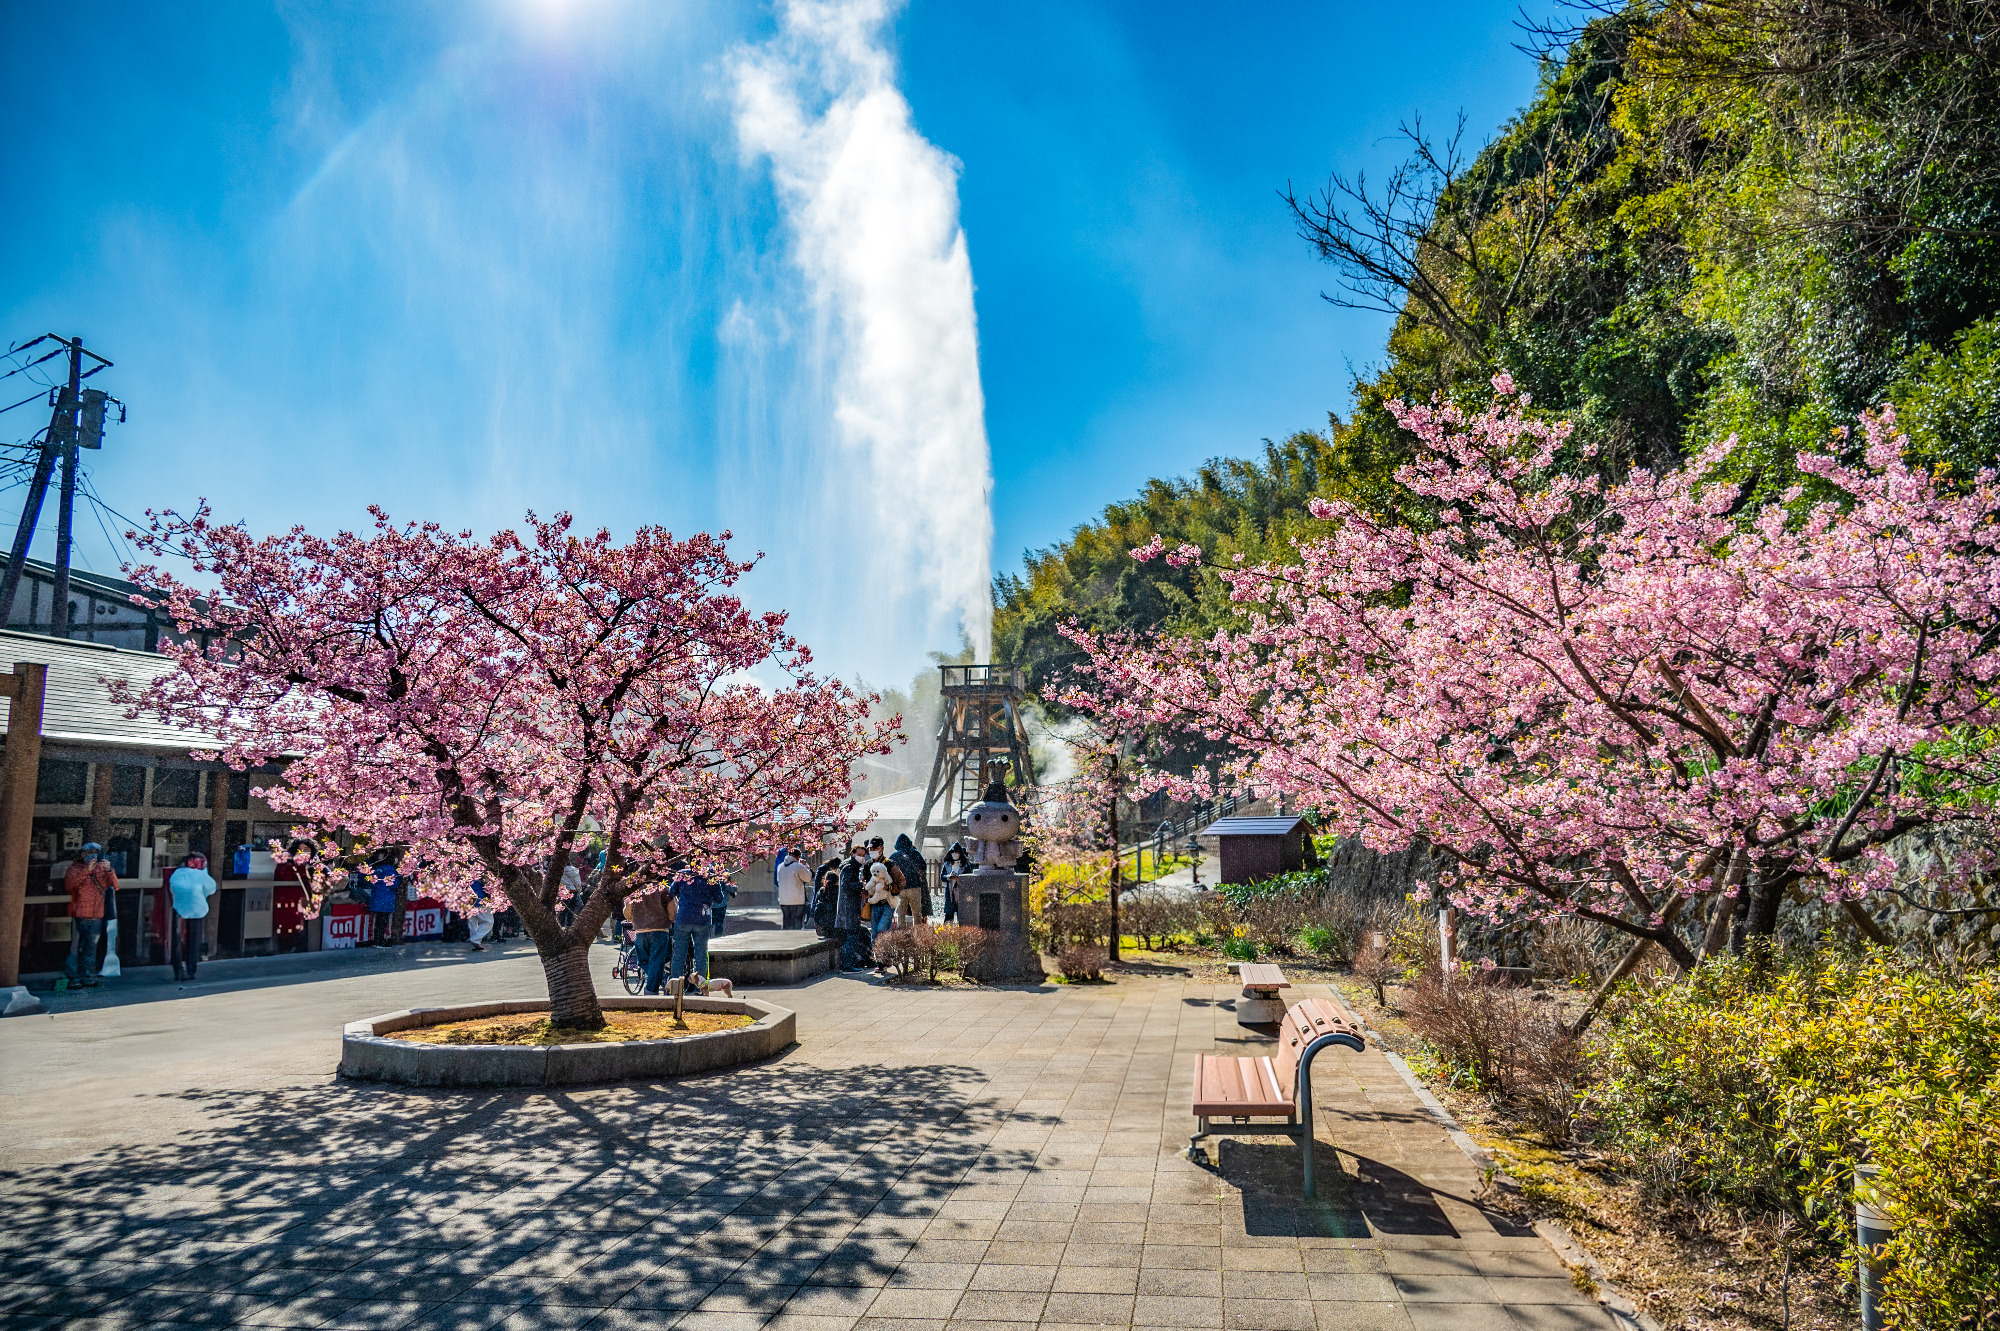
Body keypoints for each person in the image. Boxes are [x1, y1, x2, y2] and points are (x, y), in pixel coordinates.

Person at [62, 843, 118, 987]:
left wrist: (110, 870)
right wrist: (87, 870)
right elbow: (70, 885)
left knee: (90, 947)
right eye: (90, 852)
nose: (93, 855)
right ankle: (73, 976)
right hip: (79, 913)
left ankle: (87, 975)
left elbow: (115, 886)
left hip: (96, 913)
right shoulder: (75, 868)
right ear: (83, 854)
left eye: (97, 852)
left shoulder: (101, 869)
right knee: (76, 946)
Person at [668, 868, 723, 987]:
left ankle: (675, 987)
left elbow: (672, 891)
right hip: (703, 919)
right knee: (701, 956)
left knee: (679, 955)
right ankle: (700, 988)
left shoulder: (682, 874)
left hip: (683, 918)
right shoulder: (711, 876)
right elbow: (719, 899)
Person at [169, 853, 218, 984]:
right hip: (197, 911)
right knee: (194, 941)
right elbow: (211, 888)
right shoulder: (201, 875)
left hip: (178, 910)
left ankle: (178, 970)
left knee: (178, 941)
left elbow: (172, 888)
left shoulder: (177, 874)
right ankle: (191, 970)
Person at [625, 888, 675, 994]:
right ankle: (652, 989)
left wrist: (632, 919)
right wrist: (669, 920)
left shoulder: (636, 890)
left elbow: (627, 910)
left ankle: (657, 980)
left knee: (642, 960)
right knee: (656, 961)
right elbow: (673, 912)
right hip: (659, 930)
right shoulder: (665, 889)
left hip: (640, 930)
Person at [834, 846, 868, 970]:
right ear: (852, 853)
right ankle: (847, 964)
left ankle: (851, 961)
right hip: (850, 907)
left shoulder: (850, 865)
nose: (862, 857)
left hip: (848, 906)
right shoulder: (850, 867)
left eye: (864, 855)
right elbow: (845, 886)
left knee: (853, 934)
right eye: (859, 854)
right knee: (852, 934)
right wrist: (861, 885)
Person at [890, 833, 928, 927]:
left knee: (901, 914)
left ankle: (902, 935)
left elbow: (889, 869)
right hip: (915, 887)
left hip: (901, 889)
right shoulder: (915, 853)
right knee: (917, 914)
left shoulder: (894, 856)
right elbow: (923, 866)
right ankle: (917, 934)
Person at [777, 849, 813, 930]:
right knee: (797, 923)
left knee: (787, 922)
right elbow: (808, 878)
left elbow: (779, 881)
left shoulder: (780, 867)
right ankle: (796, 940)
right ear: (798, 856)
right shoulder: (798, 867)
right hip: (797, 900)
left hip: (784, 900)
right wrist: (805, 866)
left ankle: (786, 940)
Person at [940, 842, 970, 924]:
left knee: (962, 916)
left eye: (956, 852)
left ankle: (962, 934)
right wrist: (948, 877)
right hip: (949, 893)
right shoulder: (947, 864)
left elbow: (970, 879)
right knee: (948, 916)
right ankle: (947, 934)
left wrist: (960, 878)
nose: (954, 854)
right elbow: (942, 876)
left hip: (962, 893)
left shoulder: (966, 865)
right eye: (952, 852)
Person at [467, 880, 494, 953]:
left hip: (468, 900)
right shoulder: (481, 874)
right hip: (480, 899)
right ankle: (475, 939)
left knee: (473, 923)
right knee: (489, 921)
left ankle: (476, 942)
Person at [711, 871, 738, 938]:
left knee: (710, 922)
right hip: (722, 904)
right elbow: (733, 889)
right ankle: (718, 937)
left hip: (712, 905)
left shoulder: (711, 876)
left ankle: (708, 937)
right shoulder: (726, 879)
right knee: (719, 922)